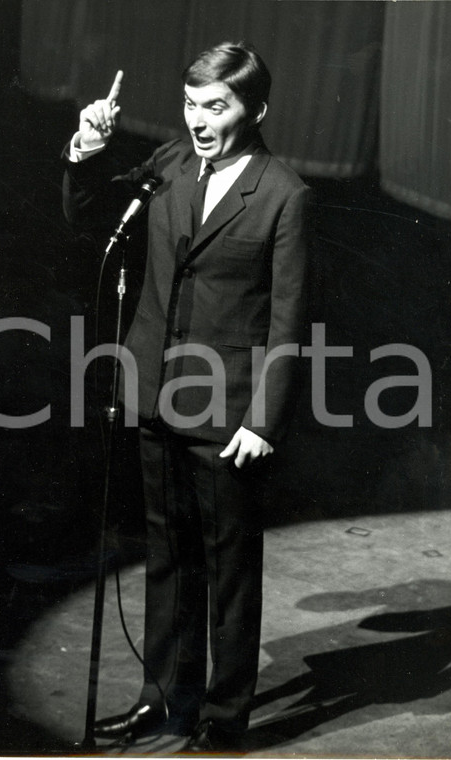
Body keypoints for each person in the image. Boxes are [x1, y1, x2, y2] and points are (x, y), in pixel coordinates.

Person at [62, 41, 310, 752]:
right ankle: (165, 702)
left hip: (229, 413)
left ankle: (224, 721)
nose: (197, 121)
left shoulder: (285, 194)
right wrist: (88, 148)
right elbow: (91, 226)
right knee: (169, 559)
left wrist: (264, 419)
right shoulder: (167, 166)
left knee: (228, 569)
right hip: (153, 397)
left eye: (215, 106)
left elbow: (290, 319)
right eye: (189, 105)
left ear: (254, 109)